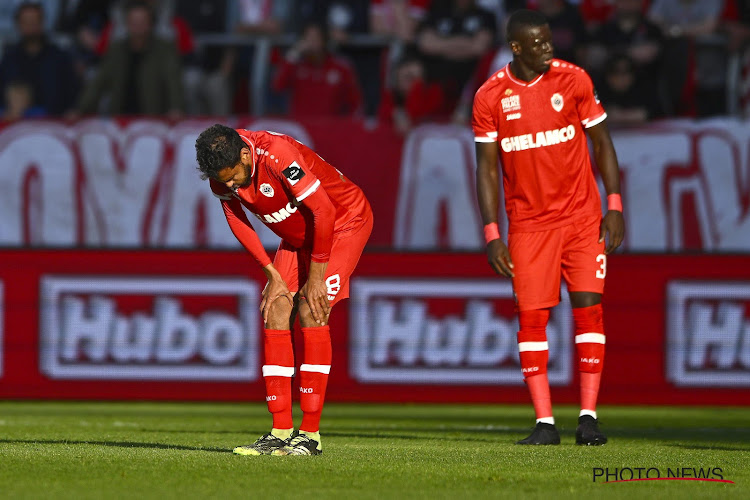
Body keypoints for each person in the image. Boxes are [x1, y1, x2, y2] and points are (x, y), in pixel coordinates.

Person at [472, 9, 625, 445]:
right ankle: (544, 423)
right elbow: (485, 169)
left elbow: (602, 142)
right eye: (537, 43)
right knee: (531, 319)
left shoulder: (574, 80)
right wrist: (491, 234)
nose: (548, 47)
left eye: (548, 39)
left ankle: (588, 417)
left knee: (589, 310)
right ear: (516, 47)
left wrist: (613, 205)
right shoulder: (490, 96)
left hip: (581, 218)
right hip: (528, 226)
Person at [195, 125, 373, 456]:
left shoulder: (279, 155)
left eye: (234, 178)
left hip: (344, 224)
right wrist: (271, 273)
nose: (230, 186)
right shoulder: (222, 168)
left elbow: (324, 210)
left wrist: (317, 276)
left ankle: (310, 436)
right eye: (224, 181)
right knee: (276, 308)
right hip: (299, 236)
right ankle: (280, 431)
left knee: (310, 307)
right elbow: (237, 220)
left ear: (245, 155)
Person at [74, 0, 184, 117]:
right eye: (134, 22)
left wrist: (176, 108)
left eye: (142, 22)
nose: (138, 27)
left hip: (153, 118)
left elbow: (173, 82)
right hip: (120, 118)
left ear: (151, 24)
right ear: (127, 24)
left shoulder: (164, 50)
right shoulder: (116, 50)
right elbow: (99, 82)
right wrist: (80, 110)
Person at [0, 1, 79, 116]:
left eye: (34, 21)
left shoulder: (60, 58)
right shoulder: (9, 59)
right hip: (17, 125)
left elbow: (73, 96)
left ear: (42, 23)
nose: (31, 26)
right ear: (18, 24)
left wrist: (72, 112)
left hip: (54, 124)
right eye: (26, 22)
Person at [272, 22, 362, 117]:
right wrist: (293, 55)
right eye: (308, 38)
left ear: (324, 40)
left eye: (316, 38)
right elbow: (278, 86)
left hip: (331, 127)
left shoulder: (341, 67)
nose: (312, 43)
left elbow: (355, 103)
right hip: (301, 127)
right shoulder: (296, 65)